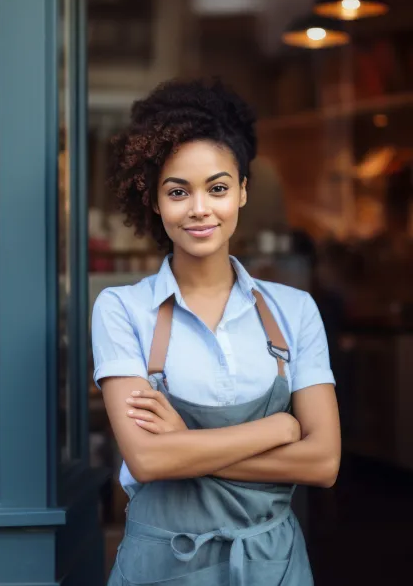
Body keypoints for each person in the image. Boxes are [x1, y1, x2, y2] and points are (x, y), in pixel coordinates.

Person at [91, 78, 341, 586]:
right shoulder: (122, 308)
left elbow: (323, 462)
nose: (200, 208)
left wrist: (188, 446)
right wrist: (278, 430)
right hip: (161, 564)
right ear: (155, 202)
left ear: (243, 192)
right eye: (178, 191)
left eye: (218, 188)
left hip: (272, 564)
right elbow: (146, 458)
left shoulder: (295, 310)